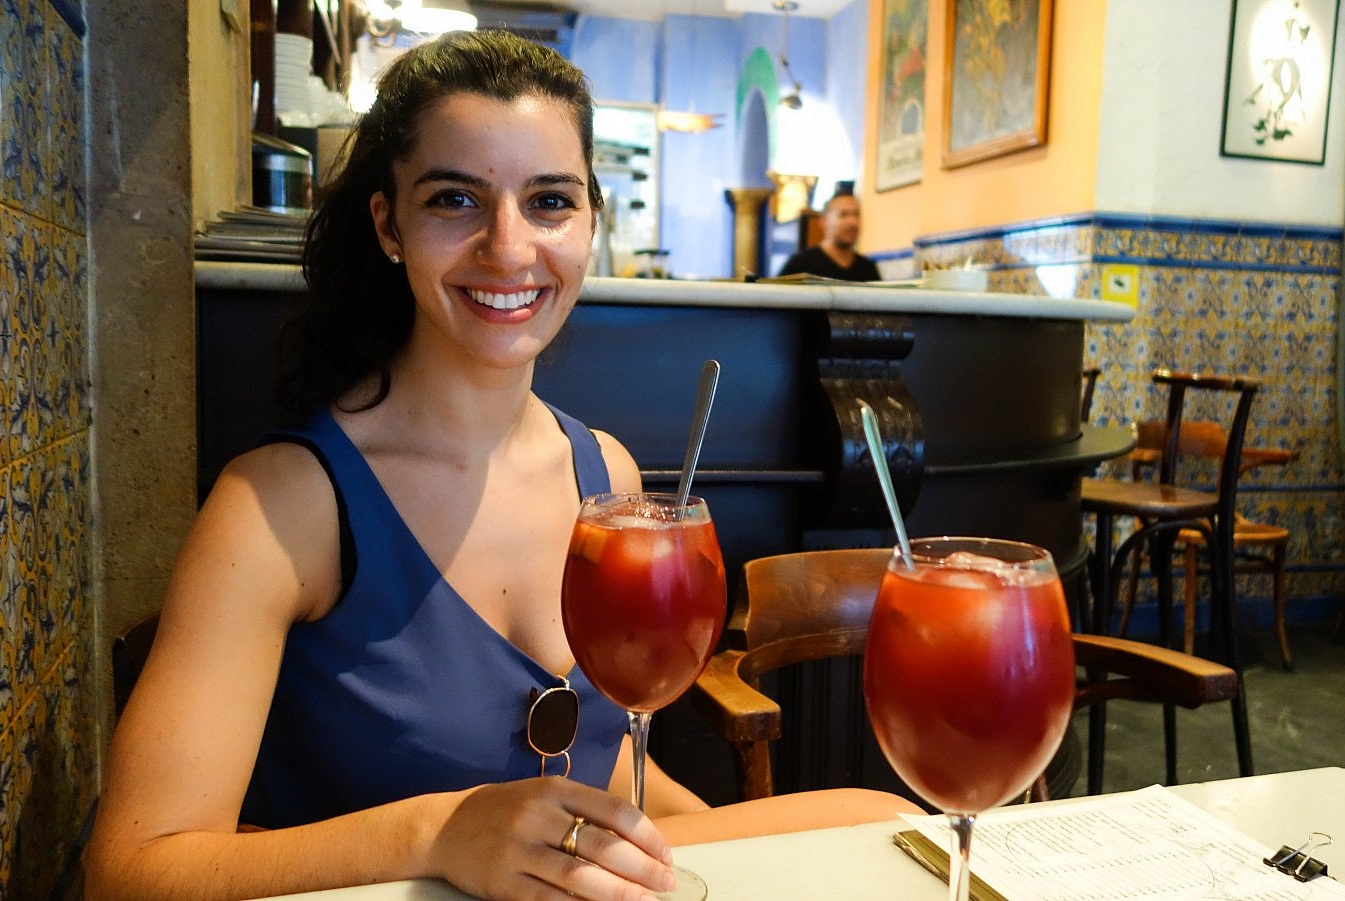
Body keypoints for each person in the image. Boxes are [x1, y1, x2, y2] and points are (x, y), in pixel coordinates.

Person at [84, 30, 915, 901]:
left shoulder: (610, 480)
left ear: (592, 221)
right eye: (454, 199)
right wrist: (437, 832)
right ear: (388, 224)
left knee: (877, 819)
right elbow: (132, 869)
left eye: (550, 200)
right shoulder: (282, 506)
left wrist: (692, 853)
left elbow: (615, 764)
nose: (509, 247)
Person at [775, 189, 881, 281]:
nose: (852, 222)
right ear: (824, 221)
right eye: (843, 214)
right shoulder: (801, 264)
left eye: (856, 214)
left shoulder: (868, 268)